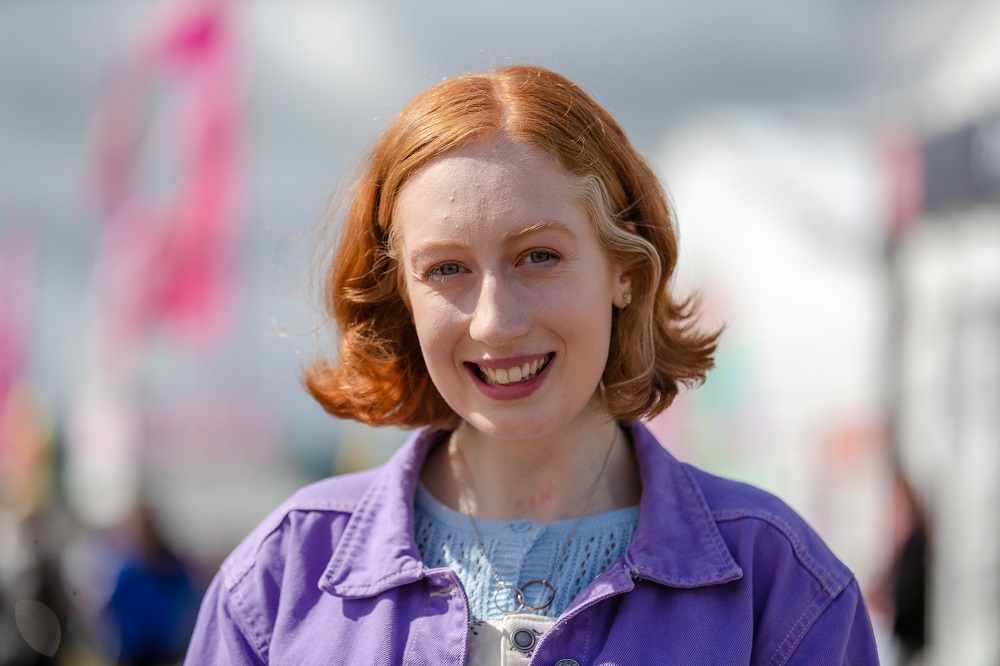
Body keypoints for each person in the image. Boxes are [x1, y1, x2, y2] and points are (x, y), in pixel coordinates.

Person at [185, 65, 879, 664]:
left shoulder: (779, 585)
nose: (495, 321)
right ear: (401, 296)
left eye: (539, 257)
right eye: (446, 268)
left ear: (624, 269)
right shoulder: (280, 579)